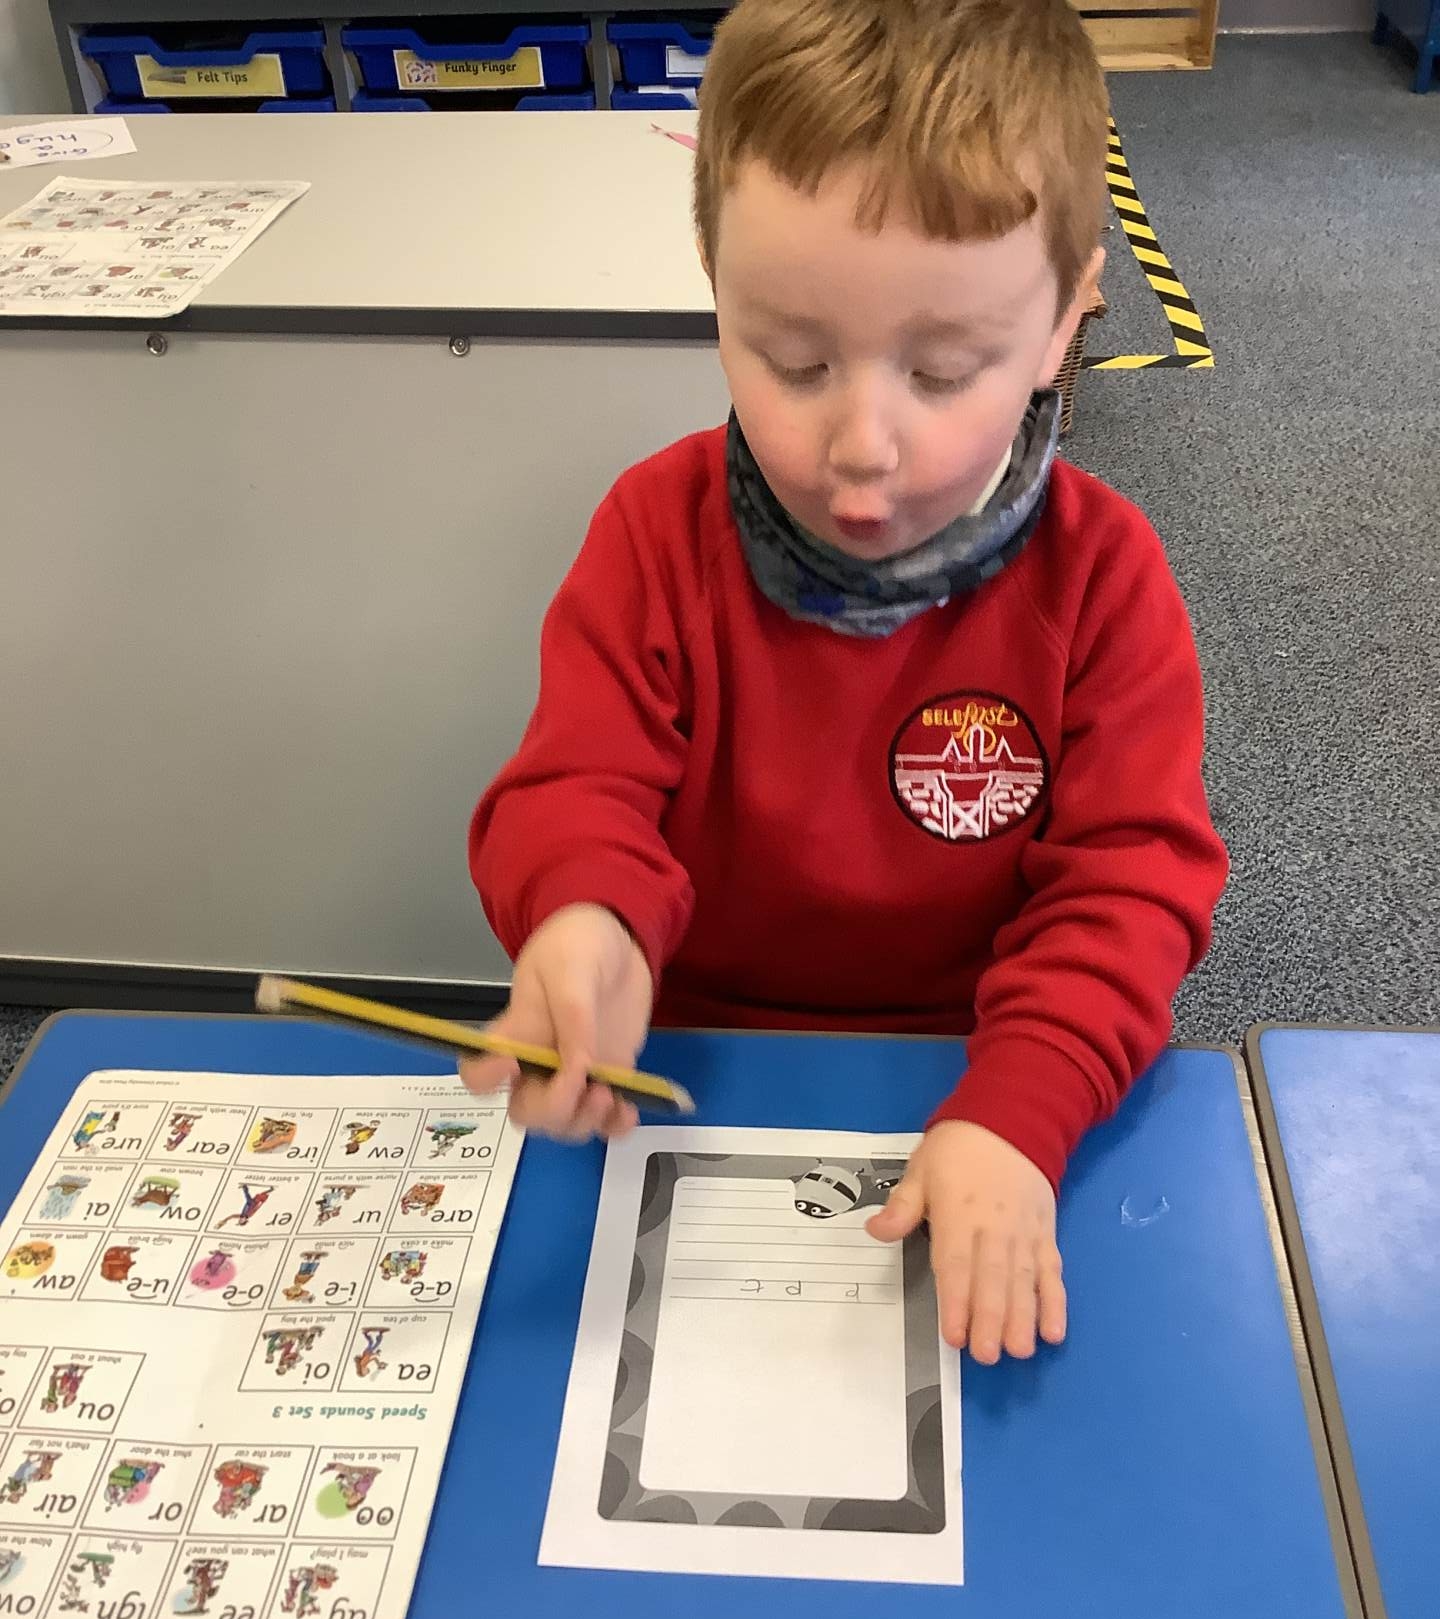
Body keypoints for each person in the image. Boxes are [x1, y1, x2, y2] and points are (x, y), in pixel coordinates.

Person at [465, 0, 1227, 1363]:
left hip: (986, 1077)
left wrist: (1020, 1108)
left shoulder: (1102, 576)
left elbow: (1130, 892)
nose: (861, 444)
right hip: (690, 1081)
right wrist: (586, 925)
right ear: (717, 282)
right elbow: (576, 785)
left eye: (944, 370)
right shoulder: (654, 533)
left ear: (1068, 316)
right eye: (795, 360)